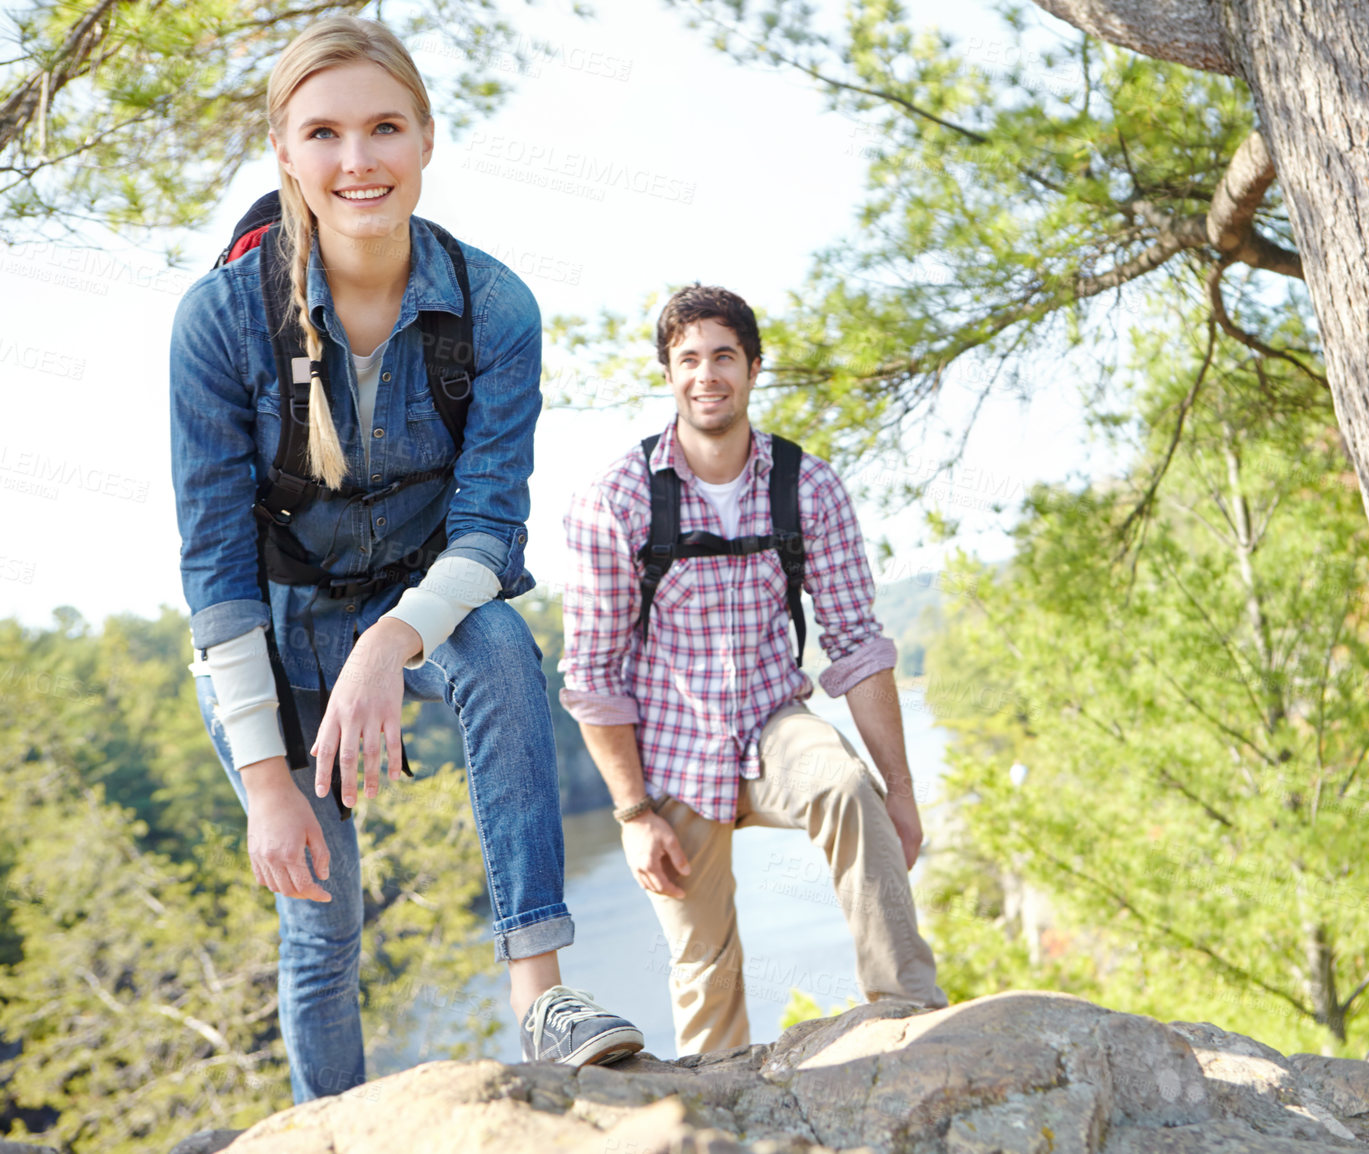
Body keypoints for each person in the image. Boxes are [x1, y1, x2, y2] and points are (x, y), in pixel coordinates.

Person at [169, 16, 641, 1102]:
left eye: (384, 128)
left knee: (502, 650)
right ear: (284, 151)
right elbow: (215, 572)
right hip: (275, 643)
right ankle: (326, 1121)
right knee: (322, 932)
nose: (357, 160)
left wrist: (390, 638)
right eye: (323, 133)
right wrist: (266, 785)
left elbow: (488, 535)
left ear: (427, 137)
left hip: (423, 606)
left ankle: (542, 995)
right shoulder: (219, 323)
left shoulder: (495, 306)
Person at [559, 284, 947, 1054]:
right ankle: (720, 1108)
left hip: (774, 723)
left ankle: (908, 1012)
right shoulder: (616, 500)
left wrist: (899, 795)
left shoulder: (807, 486)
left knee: (845, 785)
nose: (708, 375)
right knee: (704, 968)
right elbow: (593, 675)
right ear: (669, 374)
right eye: (689, 359)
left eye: (724, 357)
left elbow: (859, 646)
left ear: (754, 368)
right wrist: (634, 817)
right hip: (669, 748)